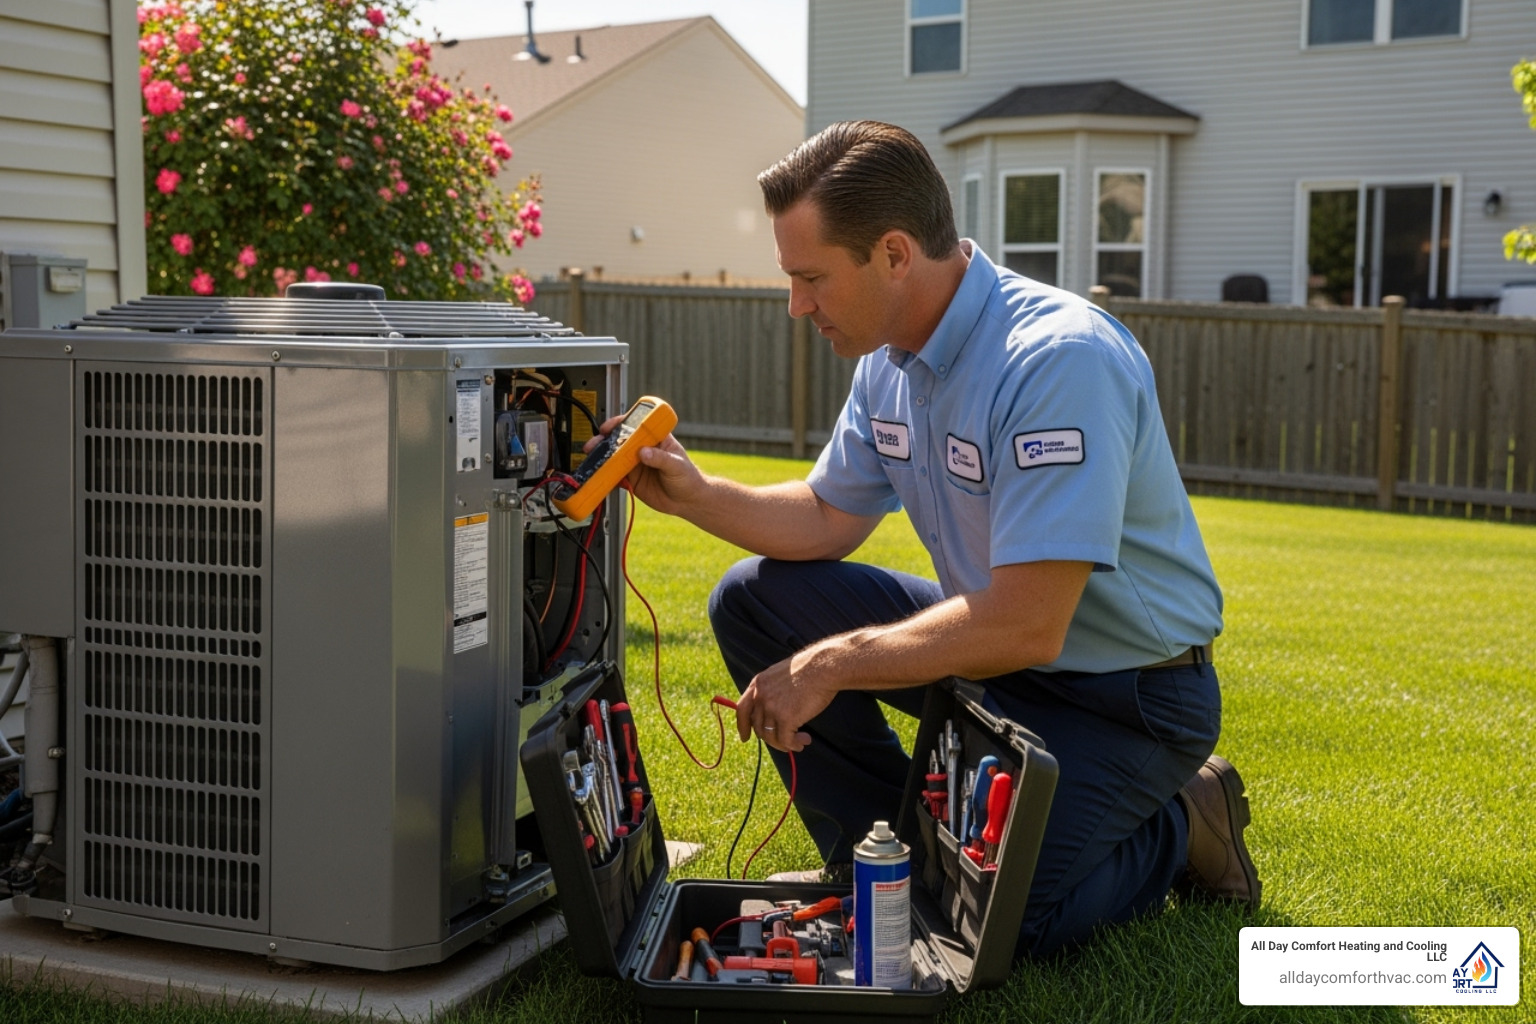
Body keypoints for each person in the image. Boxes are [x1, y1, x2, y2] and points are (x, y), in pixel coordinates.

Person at [607, 120, 1259, 957]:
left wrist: (830, 664)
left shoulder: (1056, 361)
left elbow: (1028, 623)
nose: (797, 305)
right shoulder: (888, 361)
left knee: (1001, 928)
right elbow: (823, 518)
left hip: (1125, 694)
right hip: (997, 655)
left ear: (893, 253)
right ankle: (874, 863)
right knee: (757, 600)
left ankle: (1181, 821)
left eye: (811, 278)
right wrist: (693, 495)